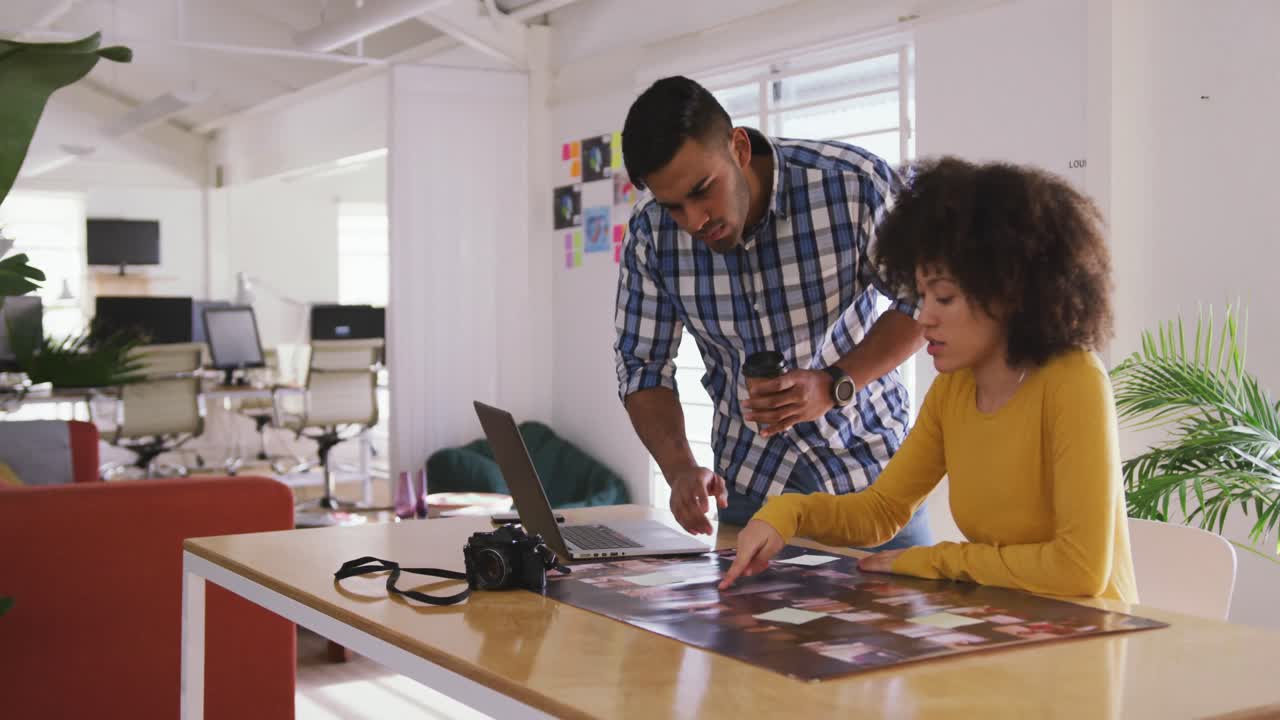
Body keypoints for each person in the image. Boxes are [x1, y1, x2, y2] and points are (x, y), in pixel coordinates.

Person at [721, 157, 1139, 604]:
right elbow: (880, 511)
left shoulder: (1074, 381)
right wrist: (784, 513)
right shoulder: (954, 389)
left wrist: (930, 561)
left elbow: (1080, 570)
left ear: (1009, 292)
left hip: (1092, 639)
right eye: (922, 296)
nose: (924, 317)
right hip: (1005, 626)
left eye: (944, 297)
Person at [614, 75, 931, 550]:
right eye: (673, 206)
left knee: (902, 626)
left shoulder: (852, 185)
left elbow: (924, 298)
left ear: (738, 148)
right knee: (755, 629)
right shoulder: (650, 235)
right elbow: (642, 366)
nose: (694, 221)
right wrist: (678, 467)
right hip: (752, 492)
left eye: (703, 190)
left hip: (874, 485)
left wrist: (835, 383)